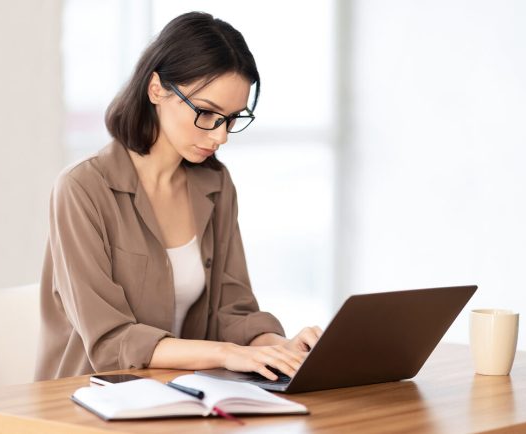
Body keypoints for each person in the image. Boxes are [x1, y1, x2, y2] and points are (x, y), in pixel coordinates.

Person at [35, 11, 322, 382]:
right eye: (206, 113)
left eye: (232, 119)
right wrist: (227, 353)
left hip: (183, 399)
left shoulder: (216, 185)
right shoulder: (82, 189)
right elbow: (110, 342)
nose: (221, 137)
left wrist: (278, 346)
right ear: (156, 89)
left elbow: (233, 312)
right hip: (86, 402)